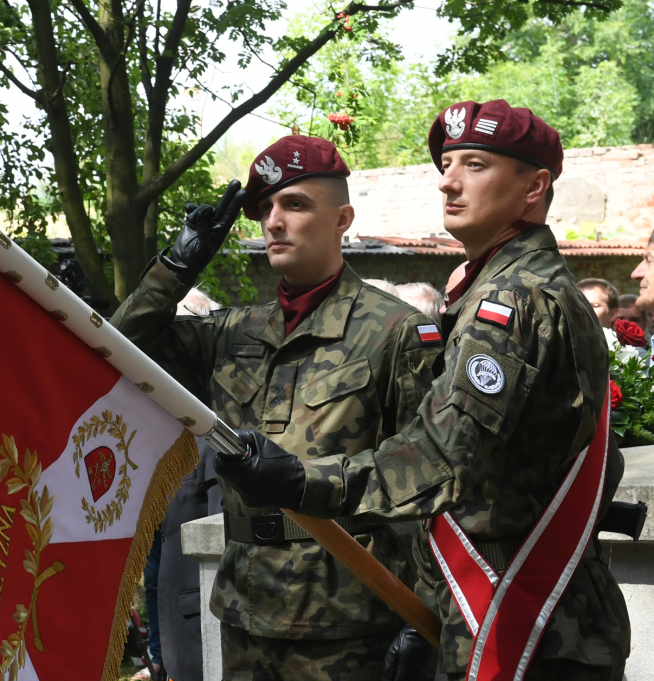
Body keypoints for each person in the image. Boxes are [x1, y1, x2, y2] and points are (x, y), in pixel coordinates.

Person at [216, 100, 630, 680]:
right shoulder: (515, 285)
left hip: (523, 618)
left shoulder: (513, 299)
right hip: (518, 609)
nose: (448, 180)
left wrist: (300, 481)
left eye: (476, 164)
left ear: (534, 188)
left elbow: (442, 457)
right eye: (449, 162)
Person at [112, 135, 443, 680]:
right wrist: (175, 267)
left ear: (343, 218)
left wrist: (421, 616)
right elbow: (120, 349)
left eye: (294, 204)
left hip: (349, 615)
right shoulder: (234, 331)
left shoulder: (397, 331)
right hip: (247, 605)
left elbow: (424, 476)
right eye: (265, 208)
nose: (273, 221)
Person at [154, 288, 223, 681]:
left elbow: (221, 536)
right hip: (173, 619)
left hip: (207, 624)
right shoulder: (166, 427)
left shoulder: (217, 427)